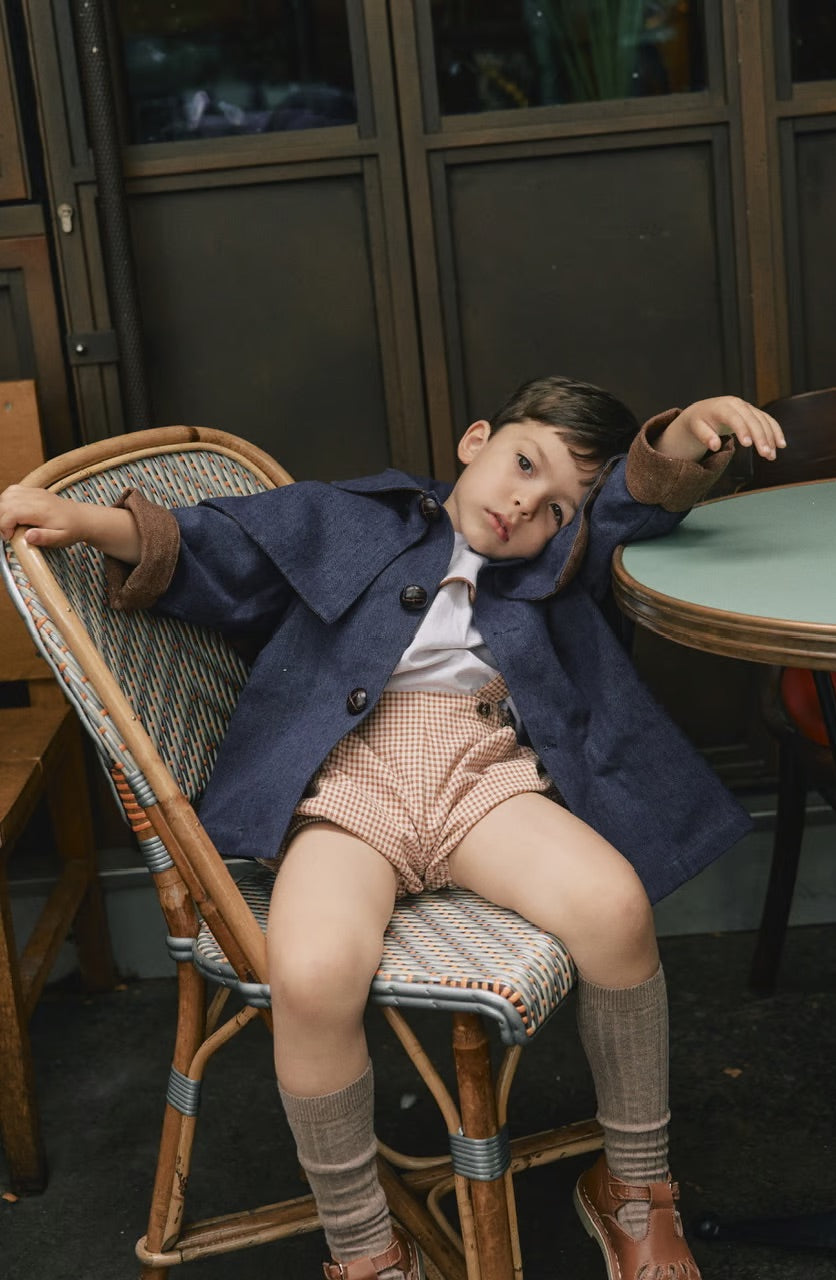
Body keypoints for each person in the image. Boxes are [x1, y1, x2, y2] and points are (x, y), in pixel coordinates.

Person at [0, 378, 785, 1280]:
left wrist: (685, 436)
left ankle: (633, 1185)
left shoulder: (551, 564)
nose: (523, 503)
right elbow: (219, 547)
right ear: (475, 440)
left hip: (481, 775)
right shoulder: (353, 521)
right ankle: (364, 1245)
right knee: (310, 974)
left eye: (554, 506)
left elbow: (627, 506)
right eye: (521, 463)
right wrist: (85, 521)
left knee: (615, 908)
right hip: (347, 781)